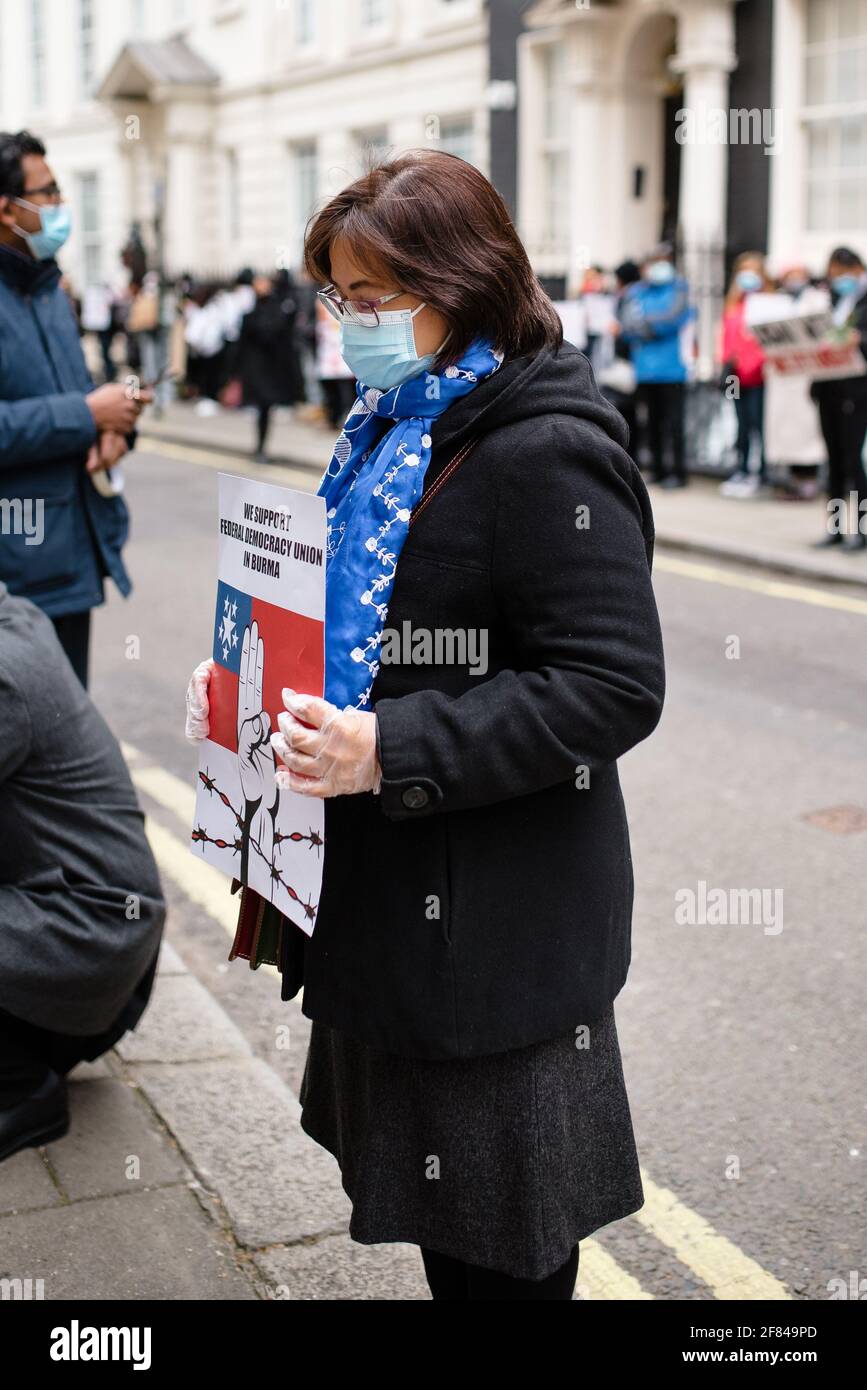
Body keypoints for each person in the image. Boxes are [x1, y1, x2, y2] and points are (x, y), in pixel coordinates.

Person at [185, 149, 665, 1301]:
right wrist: (248, 689)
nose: (346, 324)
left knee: (505, 1257)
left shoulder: (545, 448)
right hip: (402, 913)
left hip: (493, 944)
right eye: (337, 297)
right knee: (452, 1241)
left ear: (462, 282)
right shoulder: (399, 423)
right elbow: (350, 623)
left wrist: (391, 746)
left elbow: (611, 684)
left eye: (369, 299)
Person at [0, 580, 166, 1162]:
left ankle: (19, 1091)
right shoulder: (14, 612)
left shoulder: (6, 672)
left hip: (85, 949)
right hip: (93, 950)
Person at [0, 130, 151, 688]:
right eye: (49, 192)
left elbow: (78, 392)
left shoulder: (48, 288)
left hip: (66, 559)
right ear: (6, 208)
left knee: (60, 742)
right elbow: (75, 407)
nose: (61, 205)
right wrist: (87, 415)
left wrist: (114, 427)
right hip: (14, 572)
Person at [619, 241, 694, 488]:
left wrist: (645, 325)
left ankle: (678, 472)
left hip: (673, 370)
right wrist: (652, 325)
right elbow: (626, 325)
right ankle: (659, 471)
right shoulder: (635, 292)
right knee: (652, 423)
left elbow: (673, 319)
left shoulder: (680, 289)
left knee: (674, 424)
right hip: (645, 371)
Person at [810, 246, 867, 551]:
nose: (839, 280)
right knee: (833, 462)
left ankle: (861, 529)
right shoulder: (830, 300)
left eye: (843, 273)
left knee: (853, 461)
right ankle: (834, 528)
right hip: (828, 389)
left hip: (856, 390)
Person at [237, 270, 305, 461]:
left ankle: (261, 447)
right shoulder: (253, 306)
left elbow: (273, 331)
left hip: (271, 368)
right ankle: (259, 447)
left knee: (265, 409)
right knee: (261, 409)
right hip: (257, 367)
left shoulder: (280, 305)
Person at [719, 252, 770, 498]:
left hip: (760, 375)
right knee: (739, 423)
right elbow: (727, 340)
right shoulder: (733, 305)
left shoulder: (768, 303)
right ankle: (740, 467)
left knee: (757, 423)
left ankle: (759, 471)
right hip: (736, 375)